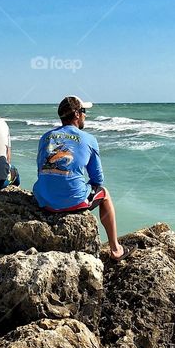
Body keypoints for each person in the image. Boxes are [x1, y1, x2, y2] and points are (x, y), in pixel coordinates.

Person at [33, 96, 124, 259]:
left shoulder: (45, 137)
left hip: (43, 201)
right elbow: (98, 180)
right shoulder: (89, 139)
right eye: (84, 112)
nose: (85, 116)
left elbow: (41, 170)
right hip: (71, 203)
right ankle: (116, 249)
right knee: (104, 193)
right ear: (76, 114)